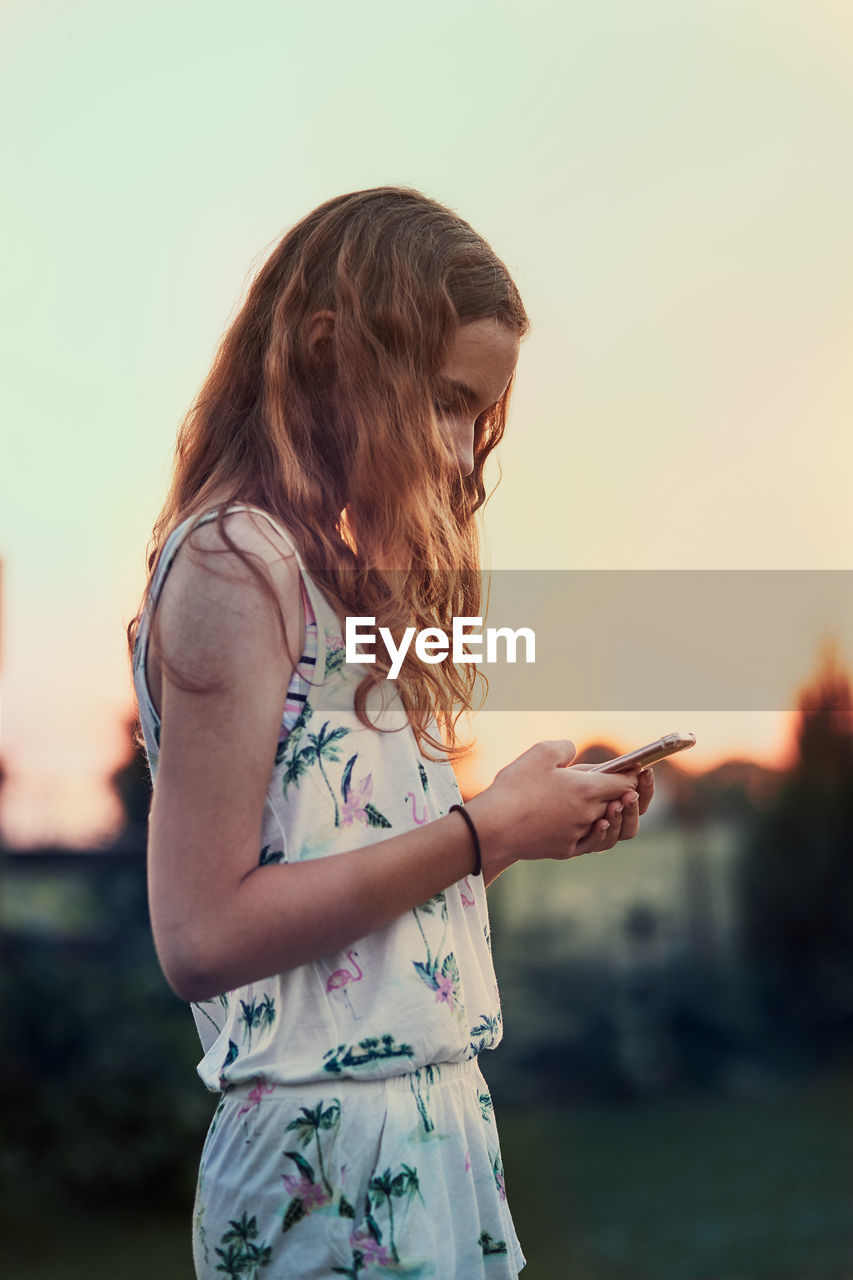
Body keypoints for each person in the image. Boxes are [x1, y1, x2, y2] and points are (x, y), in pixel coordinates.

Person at [129, 187, 653, 1279]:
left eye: (482, 417)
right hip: (324, 1159)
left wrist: (512, 828)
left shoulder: (329, 575)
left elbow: (347, 919)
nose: (467, 455)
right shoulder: (238, 564)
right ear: (330, 351)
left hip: (429, 1123)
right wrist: (475, 830)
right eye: (450, 403)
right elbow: (201, 935)